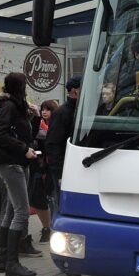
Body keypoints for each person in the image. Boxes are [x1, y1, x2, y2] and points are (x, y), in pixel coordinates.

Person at [0, 72, 41, 276]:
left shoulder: (16, 106)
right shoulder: (9, 106)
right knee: (21, 211)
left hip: (17, 162)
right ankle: (12, 263)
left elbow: (28, 135)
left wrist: (35, 116)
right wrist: (23, 150)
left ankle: (2, 260)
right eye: (25, 85)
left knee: (11, 211)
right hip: (13, 164)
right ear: (20, 87)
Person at [46, 75, 80, 220]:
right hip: (63, 168)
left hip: (77, 165)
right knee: (64, 204)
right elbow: (53, 144)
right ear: (74, 91)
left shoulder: (82, 109)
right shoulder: (62, 112)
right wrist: (59, 172)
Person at [28, 99, 58, 243]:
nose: (45, 112)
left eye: (48, 109)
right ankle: (48, 228)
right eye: (43, 109)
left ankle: (52, 228)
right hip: (39, 167)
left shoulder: (56, 126)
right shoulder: (38, 124)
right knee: (39, 199)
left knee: (51, 198)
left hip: (50, 168)